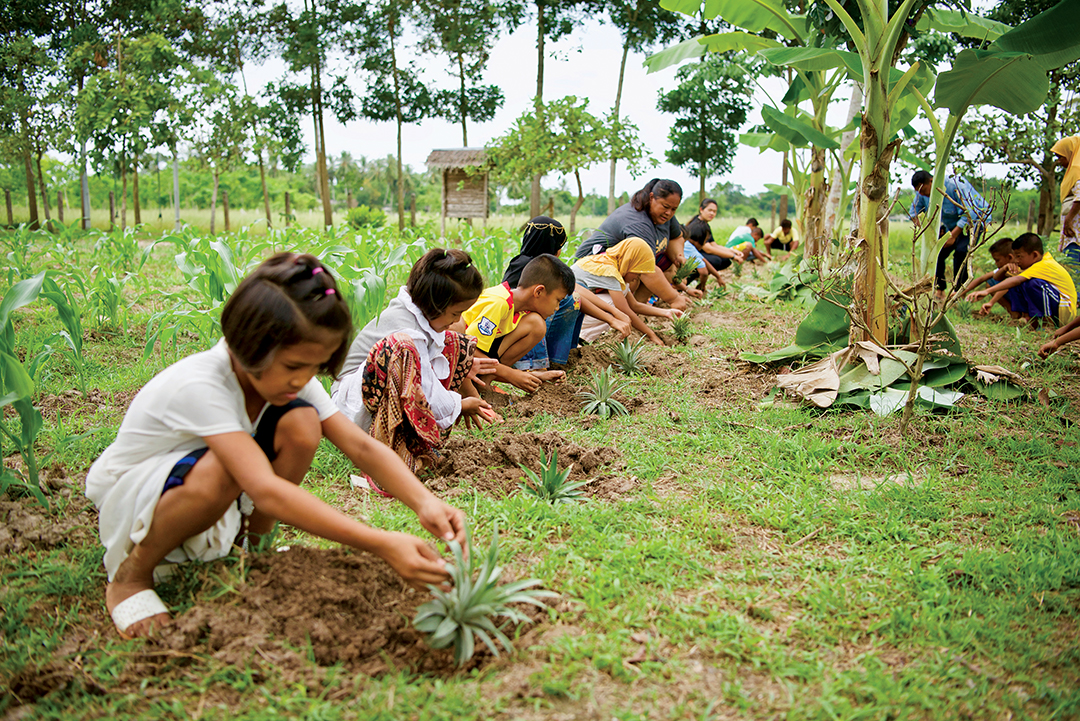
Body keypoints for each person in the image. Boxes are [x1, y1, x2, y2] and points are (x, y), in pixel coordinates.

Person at [85, 253, 466, 639]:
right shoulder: (202, 385)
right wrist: (383, 543)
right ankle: (131, 576)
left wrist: (425, 502)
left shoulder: (289, 375)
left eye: (313, 369)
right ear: (249, 344)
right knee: (222, 470)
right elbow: (265, 491)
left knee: (302, 424)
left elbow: (361, 448)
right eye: (293, 367)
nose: (301, 380)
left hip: (194, 483)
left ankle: (254, 550)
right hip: (136, 495)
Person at [331, 249, 500, 483]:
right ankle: (387, 452)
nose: (456, 320)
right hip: (354, 409)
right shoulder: (406, 329)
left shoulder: (418, 313)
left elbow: (431, 366)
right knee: (403, 348)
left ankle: (415, 441)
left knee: (454, 344)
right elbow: (429, 390)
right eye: (455, 313)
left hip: (376, 390)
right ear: (434, 305)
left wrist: (463, 363)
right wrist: (459, 404)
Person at [504, 217, 632, 371]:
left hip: (520, 328)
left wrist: (613, 313)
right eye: (560, 246)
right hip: (519, 330)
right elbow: (574, 293)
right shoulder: (533, 268)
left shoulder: (528, 263)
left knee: (574, 296)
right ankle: (540, 364)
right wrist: (610, 318)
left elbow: (577, 288)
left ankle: (565, 354)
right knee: (569, 300)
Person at [456, 254, 574, 393]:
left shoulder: (521, 311)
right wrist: (511, 374)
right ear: (539, 292)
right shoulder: (499, 302)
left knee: (537, 325)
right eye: (557, 300)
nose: (557, 308)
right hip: (458, 354)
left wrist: (531, 376)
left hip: (474, 358)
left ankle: (484, 383)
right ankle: (472, 388)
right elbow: (468, 349)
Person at [572, 178, 692, 311]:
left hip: (623, 263)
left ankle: (636, 309)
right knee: (636, 274)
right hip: (594, 269)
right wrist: (674, 298)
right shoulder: (639, 223)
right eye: (665, 207)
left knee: (667, 265)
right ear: (652, 197)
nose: (669, 212)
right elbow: (648, 271)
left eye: (674, 209)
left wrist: (678, 256)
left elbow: (677, 237)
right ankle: (621, 313)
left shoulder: (665, 215)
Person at [572, 237, 683, 346]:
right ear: (630, 261)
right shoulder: (609, 271)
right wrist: (651, 335)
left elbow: (634, 305)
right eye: (637, 273)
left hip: (578, 303)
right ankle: (581, 337)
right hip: (571, 305)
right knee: (613, 304)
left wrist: (666, 312)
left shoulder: (610, 261)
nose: (636, 278)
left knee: (621, 294)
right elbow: (624, 310)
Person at [909, 170, 992, 299]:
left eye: (924, 190)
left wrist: (953, 236)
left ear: (931, 181)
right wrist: (928, 231)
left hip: (974, 221)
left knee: (961, 252)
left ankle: (959, 293)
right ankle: (940, 290)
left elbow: (970, 213)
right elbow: (913, 213)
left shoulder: (956, 185)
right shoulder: (921, 193)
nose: (922, 194)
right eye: (919, 191)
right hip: (951, 225)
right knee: (937, 252)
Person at [968, 233, 1077, 327]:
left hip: (1064, 311)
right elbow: (997, 278)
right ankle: (1030, 320)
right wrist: (1005, 268)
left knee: (1034, 284)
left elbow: (1017, 280)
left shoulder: (1044, 264)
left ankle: (1047, 324)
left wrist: (987, 291)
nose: (1016, 261)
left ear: (1035, 255)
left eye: (1019, 257)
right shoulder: (1029, 266)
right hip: (1057, 307)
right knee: (1018, 282)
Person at [962, 237, 1019, 315]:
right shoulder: (1006, 268)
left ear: (1009, 257)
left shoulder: (1017, 269)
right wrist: (961, 292)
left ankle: (1019, 314)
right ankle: (1013, 313)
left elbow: (1007, 286)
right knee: (991, 281)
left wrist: (991, 302)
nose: (996, 263)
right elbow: (982, 278)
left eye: (997, 260)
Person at [684, 198, 744, 273]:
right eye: (710, 210)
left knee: (725, 261)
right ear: (701, 209)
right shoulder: (698, 226)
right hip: (690, 256)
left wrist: (732, 251)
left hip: (699, 254)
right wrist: (733, 256)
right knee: (716, 260)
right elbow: (708, 249)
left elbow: (714, 245)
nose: (712, 213)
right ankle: (695, 275)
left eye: (714, 211)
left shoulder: (705, 224)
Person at [1051, 136, 1080, 285]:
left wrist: (1068, 221)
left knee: (1074, 263)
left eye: (1060, 157)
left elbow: (1079, 197)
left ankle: (1076, 298)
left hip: (1076, 230)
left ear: (1070, 152)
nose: (1059, 161)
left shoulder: (1077, 169)